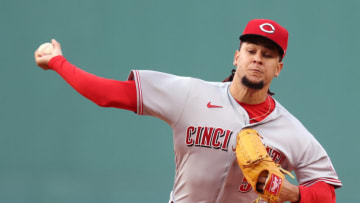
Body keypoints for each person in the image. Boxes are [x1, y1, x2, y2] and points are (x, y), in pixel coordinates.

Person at [34, 19, 342, 203]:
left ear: (279, 67)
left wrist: (295, 194)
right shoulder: (192, 95)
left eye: (268, 54)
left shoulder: (289, 129)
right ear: (237, 57)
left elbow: (327, 191)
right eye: (251, 51)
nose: (257, 59)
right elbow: (107, 95)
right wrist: (58, 62)